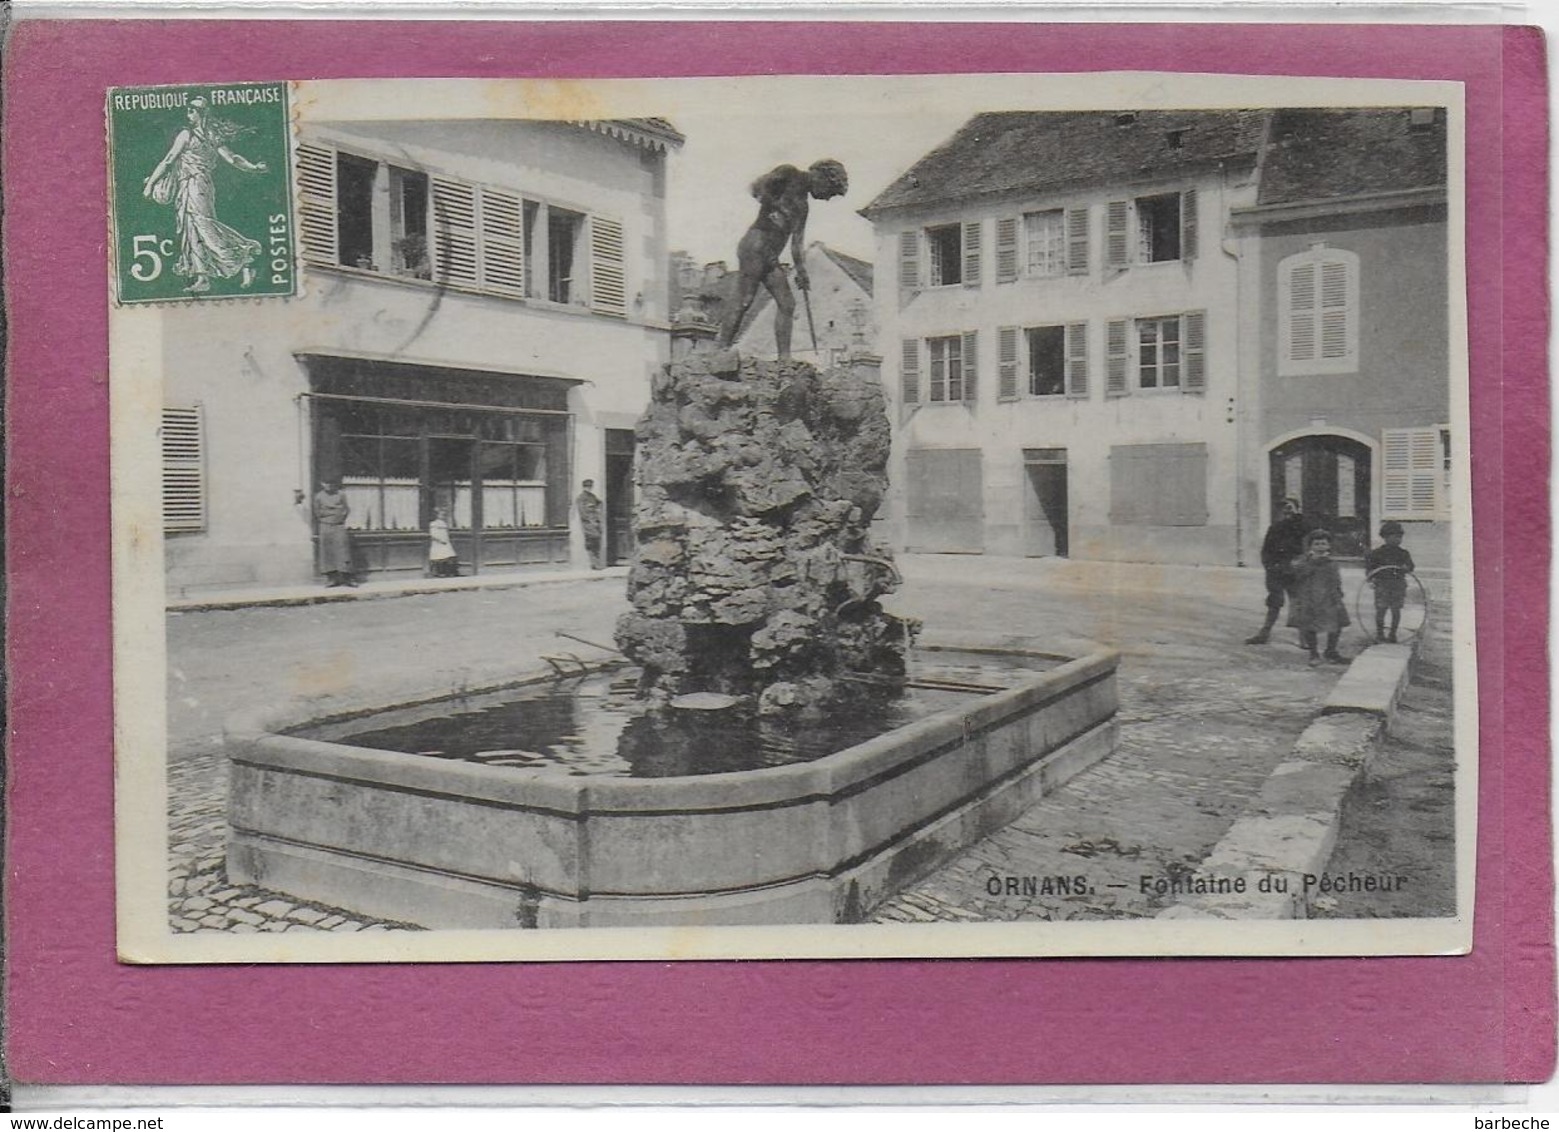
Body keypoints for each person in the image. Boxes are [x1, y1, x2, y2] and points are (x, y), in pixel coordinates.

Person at [716, 159, 849, 358]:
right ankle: (720, 349)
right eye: (830, 191)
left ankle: (784, 359)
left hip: (770, 257)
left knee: (787, 304)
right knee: (745, 299)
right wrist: (775, 207)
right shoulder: (789, 173)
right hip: (755, 246)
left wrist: (802, 272)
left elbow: (796, 244)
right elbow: (756, 187)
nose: (827, 198)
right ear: (822, 176)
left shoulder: (803, 207)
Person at [141, 96, 267, 293]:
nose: (188, 113)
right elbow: (233, 159)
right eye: (188, 109)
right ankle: (203, 277)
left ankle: (244, 257)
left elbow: (168, 160)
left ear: (201, 114)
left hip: (196, 185)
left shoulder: (188, 135)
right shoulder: (211, 136)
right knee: (191, 228)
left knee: (203, 225)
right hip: (194, 185)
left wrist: (150, 184)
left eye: (192, 110)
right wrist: (253, 168)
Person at [1245, 497, 1308, 644]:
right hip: (1276, 571)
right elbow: (1265, 551)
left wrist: (1296, 515)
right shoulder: (1274, 528)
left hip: (1294, 570)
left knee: (1298, 602)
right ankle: (1264, 633)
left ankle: (1304, 637)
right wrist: (1270, 568)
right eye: (1283, 509)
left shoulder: (1300, 526)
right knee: (1274, 603)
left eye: (1290, 508)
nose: (1286, 512)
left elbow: (1306, 531)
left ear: (1297, 511)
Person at [1287, 529, 1349, 666]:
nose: (1320, 547)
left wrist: (1338, 594)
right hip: (1310, 598)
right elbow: (1295, 575)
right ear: (1310, 546)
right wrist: (1309, 563)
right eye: (1317, 544)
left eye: (1323, 544)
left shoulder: (1331, 563)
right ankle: (1313, 653)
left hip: (1329, 598)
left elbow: (1336, 580)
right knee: (1310, 625)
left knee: (1337, 623)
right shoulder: (1304, 562)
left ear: (1329, 546)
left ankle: (1331, 650)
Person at [1365, 520, 1416, 643]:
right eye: (1394, 537)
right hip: (1382, 585)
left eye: (1400, 537)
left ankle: (1393, 633)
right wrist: (1371, 579)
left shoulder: (1403, 553)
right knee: (1381, 610)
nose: (1397, 539)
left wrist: (1406, 568)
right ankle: (1380, 633)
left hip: (1398, 585)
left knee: (1396, 609)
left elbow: (1411, 566)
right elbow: (1370, 569)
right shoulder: (1377, 553)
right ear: (1385, 537)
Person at [313, 479, 356, 588]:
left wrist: (339, 518)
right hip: (325, 525)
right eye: (326, 483)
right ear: (322, 484)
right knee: (328, 552)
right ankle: (332, 578)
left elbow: (346, 510)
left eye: (332, 484)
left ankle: (348, 578)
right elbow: (317, 512)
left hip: (339, 525)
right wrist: (328, 516)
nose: (329, 486)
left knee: (343, 551)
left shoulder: (341, 495)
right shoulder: (318, 496)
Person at [575, 479, 604, 570]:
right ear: (584, 487)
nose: (589, 488)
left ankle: (596, 563)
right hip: (588, 524)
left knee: (597, 542)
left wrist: (598, 511)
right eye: (587, 486)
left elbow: (600, 503)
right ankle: (594, 563)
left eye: (590, 486)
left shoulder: (592, 496)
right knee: (592, 542)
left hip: (596, 522)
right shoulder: (581, 498)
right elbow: (582, 513)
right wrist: (591, 521)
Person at [428, 507, 459, 578]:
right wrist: (440, 540)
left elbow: (445, 533)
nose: (443, 516)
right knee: (439, 557)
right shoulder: (433, 524)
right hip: (438, 542)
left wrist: (446, 540)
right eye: (441, 515)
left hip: (445, 542)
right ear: (436, 515)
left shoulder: (444, 523)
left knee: (448, 556)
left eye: (444, 515)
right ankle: (438, 572)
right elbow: (433, 534)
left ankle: (447, 571)